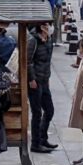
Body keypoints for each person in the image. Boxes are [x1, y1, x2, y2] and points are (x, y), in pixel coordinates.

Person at [26, 22, 57, 153]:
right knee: (37, 112)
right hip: (35, 81)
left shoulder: (49, 40)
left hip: (44, 80)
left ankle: (43, 138)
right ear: (42, 27)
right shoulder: (33, 40)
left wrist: (48, 77)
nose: (49, 27)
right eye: (47, 25)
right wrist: (31, 78)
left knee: (49, 110)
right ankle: (35, 143)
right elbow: (28, 61)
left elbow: (48, 61)